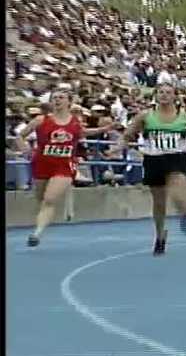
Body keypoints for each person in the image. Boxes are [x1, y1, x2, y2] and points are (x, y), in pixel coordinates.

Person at [111, 83, 186, 256]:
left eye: (168, 92)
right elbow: (128, 135)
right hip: (154, 159)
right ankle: (160, 235)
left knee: (177, 189)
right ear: (156, 95)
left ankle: (185, 211)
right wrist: (116, 148)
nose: (164, 95)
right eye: (161, 92)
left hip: (177, 157)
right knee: (159, 202)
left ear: (175, 96)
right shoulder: (145, 116)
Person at [16, 88, 114, 247]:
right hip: (42, 162)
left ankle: (37, 233)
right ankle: (46, 220)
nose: (57, 100)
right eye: (54, 97)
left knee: (50, 199)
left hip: (64, 165)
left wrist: (103, 129)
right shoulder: (41, 120)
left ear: (69, 101)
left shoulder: (75, 122)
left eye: (61, 97)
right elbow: (20, 136)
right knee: (41, 199)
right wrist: (25, 149)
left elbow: (82, 133)